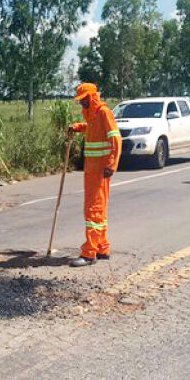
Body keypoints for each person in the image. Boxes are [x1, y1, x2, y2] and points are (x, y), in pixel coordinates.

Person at [67, 83, 122, 267]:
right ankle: (102, 248)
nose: (81, 103)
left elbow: (116, 138)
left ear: (92, 97)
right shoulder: (92, 113)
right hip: (92, 170)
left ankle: (89, 253)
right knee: (100, 209)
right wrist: (77, 127)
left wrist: (112, 164)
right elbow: (92, 128)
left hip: (100, 170)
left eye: (83, 100)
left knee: (93, 210)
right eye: (80, 101)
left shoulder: (103, 112)